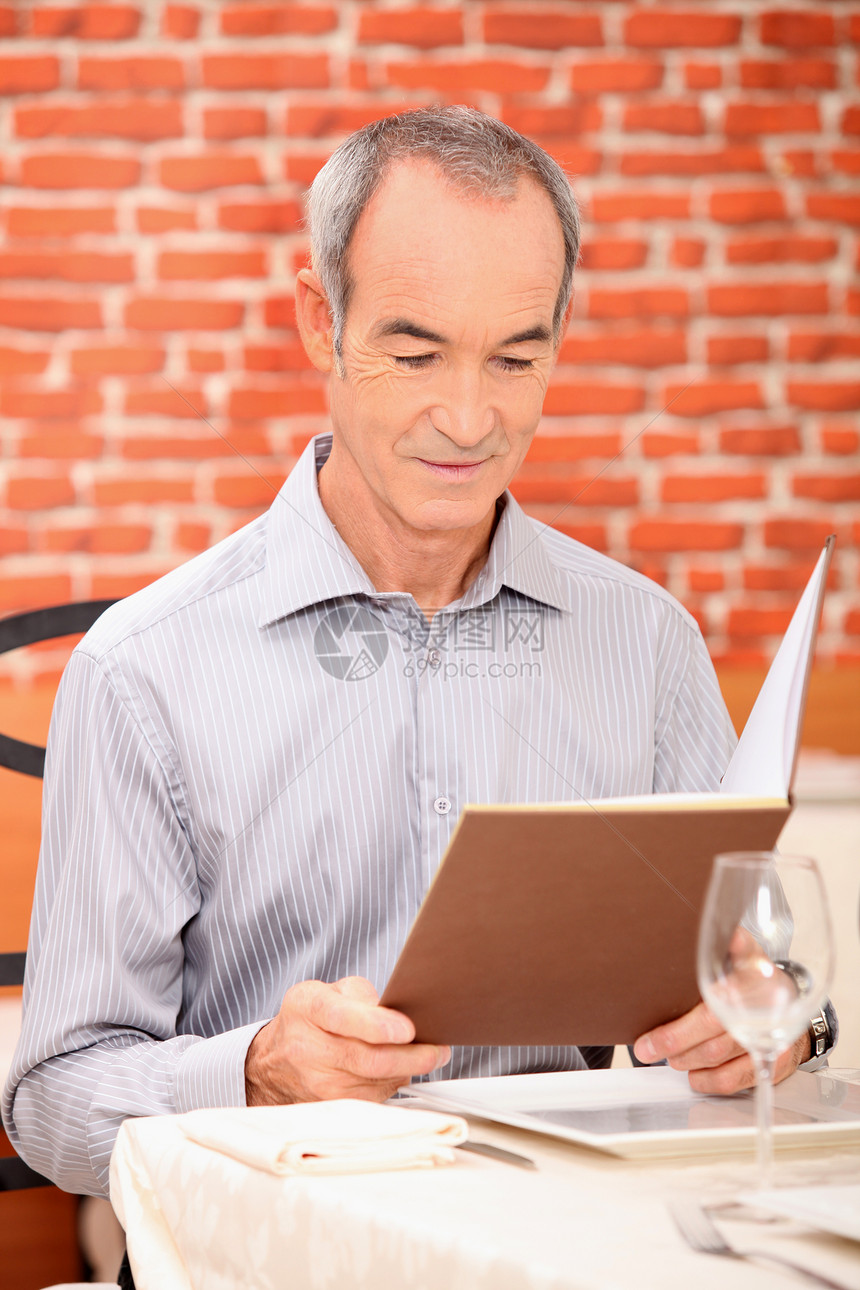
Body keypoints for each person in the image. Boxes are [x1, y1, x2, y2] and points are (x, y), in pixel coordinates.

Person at [2, 107, 830, 1204]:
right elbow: (56, 1103)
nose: (468, 416)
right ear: (317, 320)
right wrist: (250, 1072)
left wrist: (778, 1029)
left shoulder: (646, 645)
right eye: (413, 349)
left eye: (515, 356)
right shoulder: (141, 670)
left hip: (569, 1248)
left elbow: (763, 976)